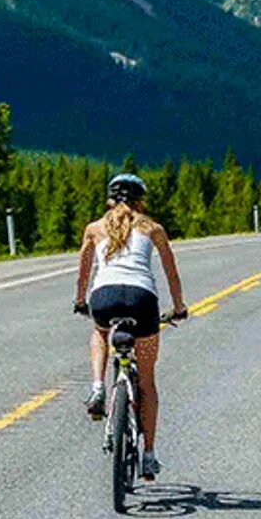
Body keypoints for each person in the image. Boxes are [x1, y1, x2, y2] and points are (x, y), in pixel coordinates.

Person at [74, 173, 186, 480]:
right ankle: (148, 456)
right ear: (140, 201)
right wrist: (178, 308)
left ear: (110, 200)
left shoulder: (94, 229)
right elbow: (171, 274)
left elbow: (84, 272)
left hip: (105, 298)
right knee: (147, 382)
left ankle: (98, 386)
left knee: (99, 332)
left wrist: (81, 302)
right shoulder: (153, 229)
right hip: (142, 301)